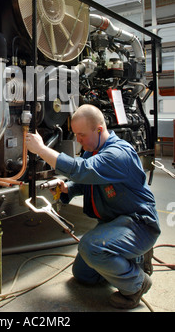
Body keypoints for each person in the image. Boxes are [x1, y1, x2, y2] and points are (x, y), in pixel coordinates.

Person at [25, 104, 160, 309]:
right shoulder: (93, 150)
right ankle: (130, 258)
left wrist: (42, 150)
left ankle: (137, 284)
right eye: (75, 134)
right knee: (83, 274)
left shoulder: (117, 154)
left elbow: (81, 170)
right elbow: (84, 180)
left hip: (139, 224)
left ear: (99, 130)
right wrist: (67, 189)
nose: (78, 140)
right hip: (114, 223)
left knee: (91, 247)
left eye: (81, 135)